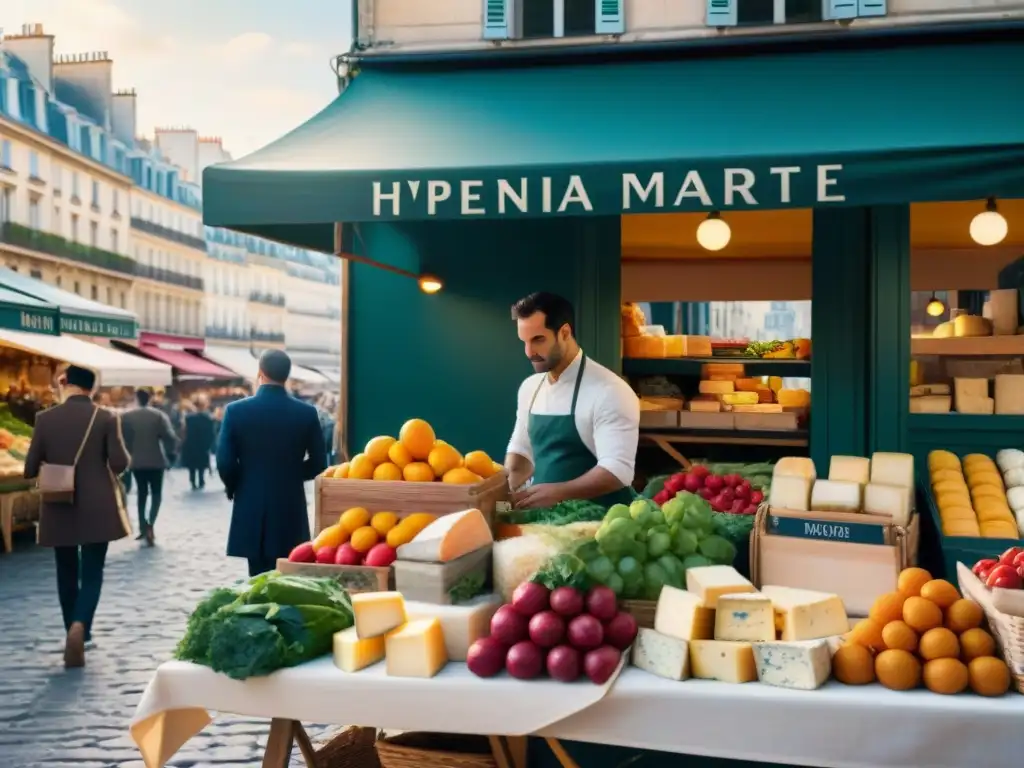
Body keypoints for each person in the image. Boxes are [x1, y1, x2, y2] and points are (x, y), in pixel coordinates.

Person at [23, 365, 131, 668]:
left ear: (64, 382)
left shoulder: (45, 419)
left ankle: (70, 625)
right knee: (93, 570)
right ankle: (81, 629)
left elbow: (30, 468)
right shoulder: (107, 417)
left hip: (59, 504)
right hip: (99, 505)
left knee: (65, 569)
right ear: (92, 389)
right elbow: (120, 463)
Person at [505, 292, 640, 510]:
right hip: (544, 520)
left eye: (538, 340)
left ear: (565, 332)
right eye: (524, 342)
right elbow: (522, 452)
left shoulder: (610, 391)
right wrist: (502, 494)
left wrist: (560, 493)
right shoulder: (529, 388)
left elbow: (618, 470)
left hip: (601, 523)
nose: (529, 352)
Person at [217, 349, 327, 577]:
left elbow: (225, 461)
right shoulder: (306, 413)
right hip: (290, 503)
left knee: (256, 575)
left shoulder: (236, 411)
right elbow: (319, 463)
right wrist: (292, 474)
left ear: (260, 373)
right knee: (289, 572)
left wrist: (234, 485)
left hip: (251, 499)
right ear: (287, 376)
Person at [120, 389, 178, 546]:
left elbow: (122, 439)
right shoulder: (158, 416)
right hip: (156, 460)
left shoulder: (127, 417)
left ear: (136, 399)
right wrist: (172, 454)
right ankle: (151, 523)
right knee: (157, 493)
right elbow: (170, 436)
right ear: (150, 399)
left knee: (142, 494)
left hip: (137, 461)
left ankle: (142, 526)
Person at [181, 395, 216, 490]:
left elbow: (184, 431)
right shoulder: (208, 418)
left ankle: (192, 481)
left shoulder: (188, 418)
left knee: (192, 465)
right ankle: (201, 480)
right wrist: (210, 444)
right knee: (201, 464)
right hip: (202, 445)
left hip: (191, 444)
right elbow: (211, 433)